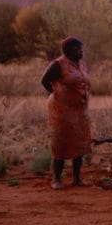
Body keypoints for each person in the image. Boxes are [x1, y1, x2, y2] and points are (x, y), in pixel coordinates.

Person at [41, 36, 92, 189]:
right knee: (60, 142)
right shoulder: (58, 64)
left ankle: (77, 178)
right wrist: (57, 94)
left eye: (81, 48)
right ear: (68, 50)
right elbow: (44, 80)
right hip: (61, 110)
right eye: (77, 48)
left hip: (80, 110)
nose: (80, 51)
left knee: (80, 142)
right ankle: (56, 179)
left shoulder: (81, 64)